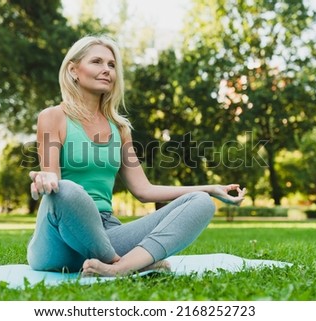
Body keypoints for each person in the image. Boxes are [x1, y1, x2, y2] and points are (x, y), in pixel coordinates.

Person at [26, 35, 246, 277]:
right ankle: (130, 263)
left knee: (201, 202)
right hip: (59, 239)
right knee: (67, 189)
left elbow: (144, 190)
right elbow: (53, 181)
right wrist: (45, 179)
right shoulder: (53, 116)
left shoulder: (119, 128)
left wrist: (210, 188)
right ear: (73, 70)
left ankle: (119, 268)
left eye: (111, 65)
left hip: (107, 231)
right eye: (97, 62)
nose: (106, 70)